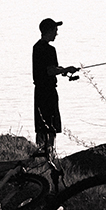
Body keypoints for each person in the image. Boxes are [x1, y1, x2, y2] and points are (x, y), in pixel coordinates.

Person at [32, 18, 78, 154]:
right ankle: (50, 152)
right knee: (51, 125)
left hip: (39, 91)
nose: (56, 34)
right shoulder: (49, 49)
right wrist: (66, 69)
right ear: (49, 31)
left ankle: (41, 151)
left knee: (41, 125)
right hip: (48, 92)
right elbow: (50, 70)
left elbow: (48, 69)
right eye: (55, 30)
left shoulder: (36, 47)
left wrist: (62, 70)